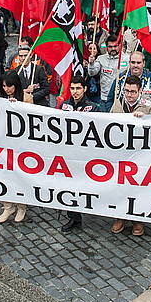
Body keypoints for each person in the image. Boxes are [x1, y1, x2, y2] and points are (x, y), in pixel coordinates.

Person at [109, 75, 151, 236]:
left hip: (141, 154)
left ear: (140, 91)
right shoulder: (118, 103)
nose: (130, 95)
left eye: (133, 92)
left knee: (138, 188)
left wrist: (146, 120)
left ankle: (138, 220)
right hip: (121, 153)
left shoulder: (150, 105)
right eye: (127, 91)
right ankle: (120, 217)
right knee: (120, 186)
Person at [59, 75, 97, 232]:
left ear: (85, 89)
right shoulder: (64, 106)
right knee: (69, 186)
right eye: (72, 88)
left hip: (86, 156)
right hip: (68, 155)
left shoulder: (93, 107)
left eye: (78, 88)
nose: (75, 92)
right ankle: (74, 218)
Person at [0, 71, 29, 223]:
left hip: (20, 145)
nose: (7, 89)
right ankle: (8, 205)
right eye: (4, 86)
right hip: (4, 142)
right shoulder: (1, 99)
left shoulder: (26, 98)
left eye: (9, 86)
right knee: (3, 175)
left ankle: (21, 206)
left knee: (18, 176)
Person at [87, 35, 129, 108]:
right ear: (106, 47)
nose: (113, 49)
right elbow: (92, 73)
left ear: (119, 46)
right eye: (110, 47)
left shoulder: (127, 58)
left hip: (122, 98)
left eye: (115, 46)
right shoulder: (101, 58)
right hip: (105, 99)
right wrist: (91, 64)